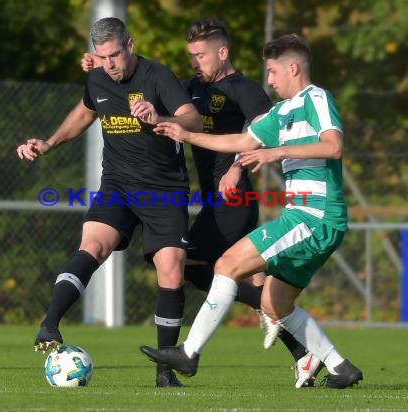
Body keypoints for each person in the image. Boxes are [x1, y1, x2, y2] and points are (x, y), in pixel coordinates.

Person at [83, 19, 323, 389]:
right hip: (212, 200)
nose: (194, 62)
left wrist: (235, 172)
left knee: (192, 267)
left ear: (222, 53)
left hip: (235, 197)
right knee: (231, 278)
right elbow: (142, 83)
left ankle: (293, 335)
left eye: (201, 55)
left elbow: (263, 133)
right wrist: (95, 64)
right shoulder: (191, 88)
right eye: (191, 55)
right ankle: (300, 344)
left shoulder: (246, 90)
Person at [140, 33, 364, 389]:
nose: (270, 80)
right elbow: (241, 142)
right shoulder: (281, 112)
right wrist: (186, 135)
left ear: (293, 68)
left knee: (227, 265)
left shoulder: (316, 98)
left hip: (314, 215)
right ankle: (341, 368)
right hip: (307, 218)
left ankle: (190, 353)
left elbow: (333, 146)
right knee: (275, 305)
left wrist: (274, 153)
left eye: (274, 72)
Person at [17, 17, 203, 388]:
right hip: (117, 184)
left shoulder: (157, 77)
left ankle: (164, 372)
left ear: (130, 46)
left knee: (172, 268)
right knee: (93, 244)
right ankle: (50, 324)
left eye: (115, 55)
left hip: (163, 189)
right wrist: (50, 143)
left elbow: (193, 119)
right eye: (102, 57)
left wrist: (160, 116)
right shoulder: (98, 77)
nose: (110, 64)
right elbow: (86, 112)